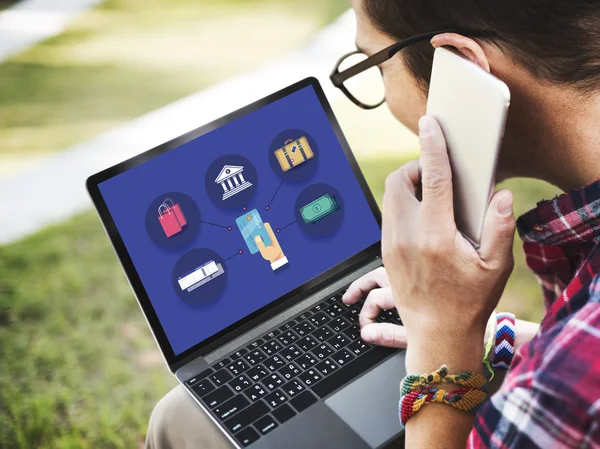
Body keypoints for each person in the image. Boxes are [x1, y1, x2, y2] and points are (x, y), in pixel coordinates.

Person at [146, 0, 600, 447]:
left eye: (375, 65)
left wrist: (442, 342)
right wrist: (482, 334)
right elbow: (567, 350)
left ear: (464, 69)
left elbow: (569, 376)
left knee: (177, 420)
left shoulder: (568, 391)